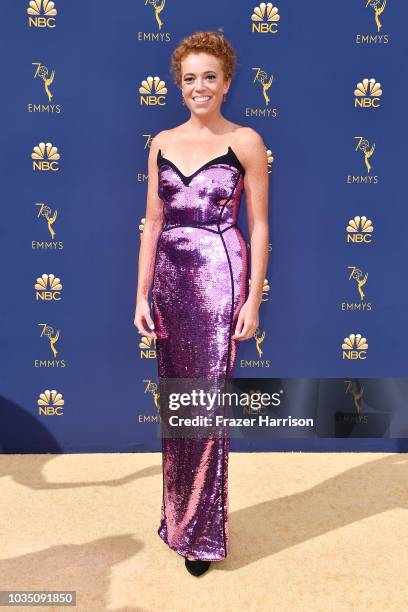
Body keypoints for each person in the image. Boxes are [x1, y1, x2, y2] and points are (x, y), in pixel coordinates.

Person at [134, 30, 269, 576]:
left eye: (209, 76)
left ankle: (202, 535)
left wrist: (252, 301)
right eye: (190, 78)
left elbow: (258, 228)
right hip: (169, 278)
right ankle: (177, 517)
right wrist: (141, 292)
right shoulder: (161, 141)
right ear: (180, 84)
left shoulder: (246, 142)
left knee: (206, 406)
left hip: (219, 278)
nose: (200, 87)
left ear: (227, 81)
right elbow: (154, 222)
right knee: (176, 405)